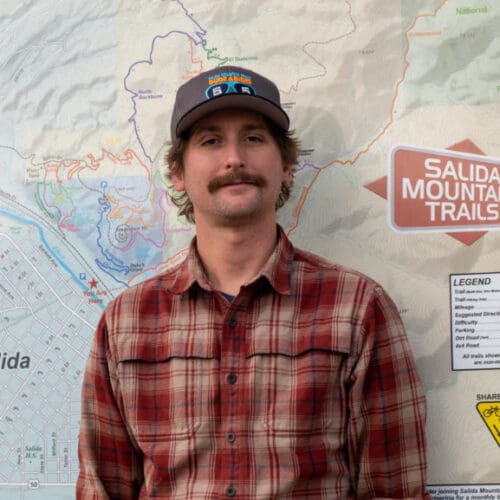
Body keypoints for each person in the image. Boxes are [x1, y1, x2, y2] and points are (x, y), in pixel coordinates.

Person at [77, 65, 429, 499]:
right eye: (210, 140)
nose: (234, 158)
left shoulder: (357, 308)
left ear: (285, 165)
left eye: (253, 138)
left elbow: (394, 491)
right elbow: (102, 488)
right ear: (178, 173)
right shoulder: (126, 322)